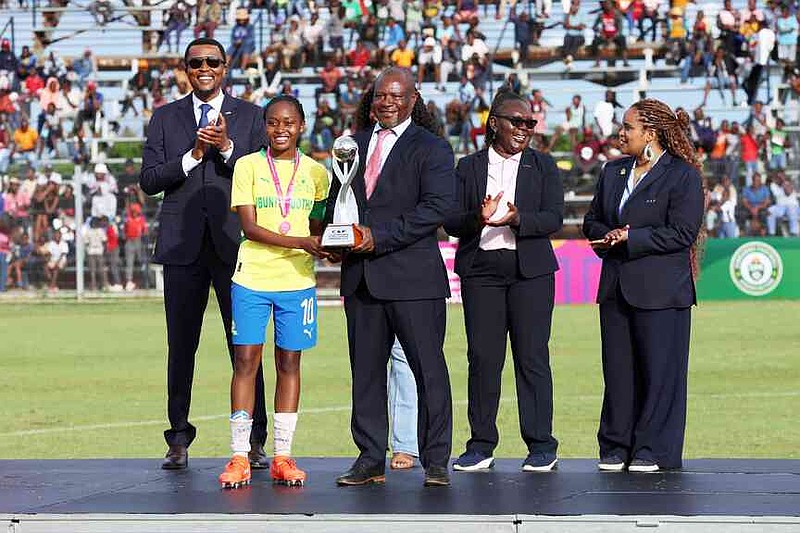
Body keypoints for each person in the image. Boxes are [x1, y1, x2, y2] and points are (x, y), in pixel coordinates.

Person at [139, 38, 270, 471]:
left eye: (212, 61)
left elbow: (263, 178)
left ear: (226, 66)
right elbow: (150, 179)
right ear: (185, 69)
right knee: (182, 346)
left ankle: (254, 439)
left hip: (237, 248)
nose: (204, 68)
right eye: (196, 63)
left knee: (246, 348)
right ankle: (178, 438)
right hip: (181, 248)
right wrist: (194, 156)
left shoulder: (252, 116)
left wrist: (229, 149)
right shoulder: (165, 117)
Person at [326, 67, 454, 487]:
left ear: (413, 100)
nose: (387, 102)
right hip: (361, 278)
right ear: (372, 98)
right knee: (365, 373)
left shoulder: (432, 148)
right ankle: (369, 457)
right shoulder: (351, 145)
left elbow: (435, 209)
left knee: (427, 370)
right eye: (381, 95)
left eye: (397, 96)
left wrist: (375, 238)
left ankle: (436, 460)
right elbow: (338, 202)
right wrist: (334, 237)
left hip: (413, 280)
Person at [444, 89, 563, 473]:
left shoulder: (543, 166)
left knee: (532, 358)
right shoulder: (468, 167)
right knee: (482, 359)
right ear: (494, 123)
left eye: (531, 123)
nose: (525, 128)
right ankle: (480, 445)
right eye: (518, 121)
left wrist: (517, 219)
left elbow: (554, 219)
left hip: (531, 271)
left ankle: (542, 445)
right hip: (481, 272)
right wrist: (478, 218)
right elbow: (450, 221)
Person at [582, 98, 704, 473]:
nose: (621, 133)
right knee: (617, 371)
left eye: (628, 127)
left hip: (663, 291)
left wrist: (630, 239)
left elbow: (682, 232)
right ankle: (616, 445)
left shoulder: (683, 175)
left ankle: (652, 449)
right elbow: (592, 221)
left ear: (650, 133)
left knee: (660, 373)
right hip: (616, 288)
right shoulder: (612, 171)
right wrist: (609, 235)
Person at [218, 95, 330, 489]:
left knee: (290, 365)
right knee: (245, 362)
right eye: (273, 123)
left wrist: (326, 243)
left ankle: (282, 456)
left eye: (289, 123)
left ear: (301, 126)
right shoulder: (248, 166)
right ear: (264, 126)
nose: (280, 130)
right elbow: (248, 227)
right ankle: (239, 455)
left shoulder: (318, 174)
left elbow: (319, 226)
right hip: (252, 278)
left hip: (297, 283)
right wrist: (305, 242)